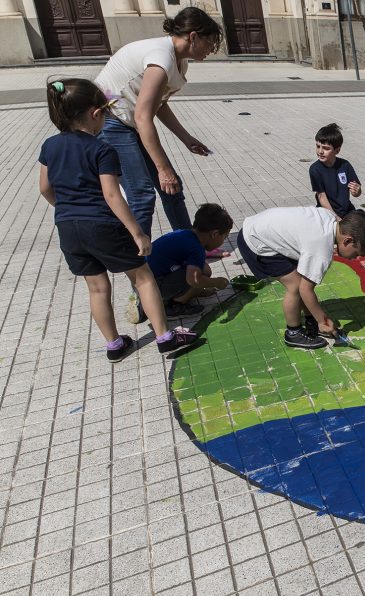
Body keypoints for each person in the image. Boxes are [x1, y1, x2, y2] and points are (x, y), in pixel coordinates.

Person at [39, 78, 199, 362]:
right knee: (143, 277)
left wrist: (65, 208)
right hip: (102, 224)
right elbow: (112, 195)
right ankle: (164, 337)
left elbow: (45, 188)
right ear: (96, 114)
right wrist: (137, 232)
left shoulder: (49, 145)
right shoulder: (101, 149)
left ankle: (114, 345)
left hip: (67, 227)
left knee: (97, 287)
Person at [94, 7, 223, 254]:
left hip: (129, 122)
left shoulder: (178, 60)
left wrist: (187, 139)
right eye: (210, 42)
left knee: (172, 189)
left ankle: (191, 249)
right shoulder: (161, 58)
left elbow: (158, 104)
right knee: (142, 194)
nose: (212, 49)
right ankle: (140, 270)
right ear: (193, 36)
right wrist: (163, 170)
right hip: (112, 122)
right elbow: (144, 117)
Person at [237, 207, 365, 350]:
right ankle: (293, 333)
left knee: (301, 280)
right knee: (295, 286)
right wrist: (322, 319)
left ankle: (310, 321)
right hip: (255, 241)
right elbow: (305, 289)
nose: (354, 258)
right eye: (356, 253)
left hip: (259, 228)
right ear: (347, 241)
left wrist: (316, 317)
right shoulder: (321, 249)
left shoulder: (330, 218)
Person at [129, 203, 234, 322]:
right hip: (152, 286)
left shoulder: (185, 234)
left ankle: (151, 300)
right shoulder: (196, 248)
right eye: (224, 237)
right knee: (199, 275)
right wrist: (217, 282)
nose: (223, 241)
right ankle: (172, 306)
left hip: (141, 280)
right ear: (214, 234)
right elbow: (193, 279)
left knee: (204, 269)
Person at [310, 123, 361, 218]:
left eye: (326, 148)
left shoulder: (345, 165)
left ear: (337, 150)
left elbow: (357, 191)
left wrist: (357, 191)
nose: (320, 151)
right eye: (318, 146)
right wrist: (335, 217)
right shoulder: (315, 169)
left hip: (347, 211)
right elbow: (321, 196)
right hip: (326, 213)